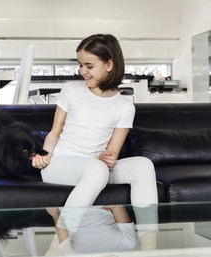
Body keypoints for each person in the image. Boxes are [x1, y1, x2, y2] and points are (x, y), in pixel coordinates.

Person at [31, 34, 158, 208]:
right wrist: (45, 155)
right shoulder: (71, 91)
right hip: (61, 163)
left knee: (143, 165)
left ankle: (148, 234)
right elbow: (55, 132)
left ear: (109, 64)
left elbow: (111, 153)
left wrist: (108, 158)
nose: (82, 71)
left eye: (89, 66)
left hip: (96, 168)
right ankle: (65, 229)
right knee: (97, 169)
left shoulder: (125, 107)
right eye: (80, 65)